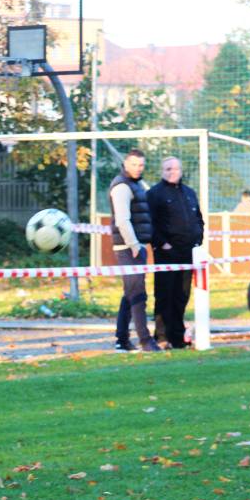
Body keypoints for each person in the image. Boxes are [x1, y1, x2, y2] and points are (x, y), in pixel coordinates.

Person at [148, 157, 204, 349]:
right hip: (166, 255)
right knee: (164, 294)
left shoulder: (189, 193)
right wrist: (162, 244)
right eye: (168, 169)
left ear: (181, 170)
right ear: (162, 171)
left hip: (188, 253)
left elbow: (198, 219)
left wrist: (198, 240)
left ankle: (177, 337)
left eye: (176, 168)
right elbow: (150, 224)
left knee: (182, 295)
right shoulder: (155, 194)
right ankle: (161, 337)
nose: (172, 172)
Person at [108, 150, 160, 353]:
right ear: (126, 164)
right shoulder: (122, 186)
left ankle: (121, 340)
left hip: (136, 247)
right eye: (135, 164)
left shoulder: (134, 184)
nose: (138, 168)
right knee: (138, 295)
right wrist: (134, 245)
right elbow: (122, 220)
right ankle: (146, 341)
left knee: (130, 293)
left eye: (141, 165)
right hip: (129, 248)